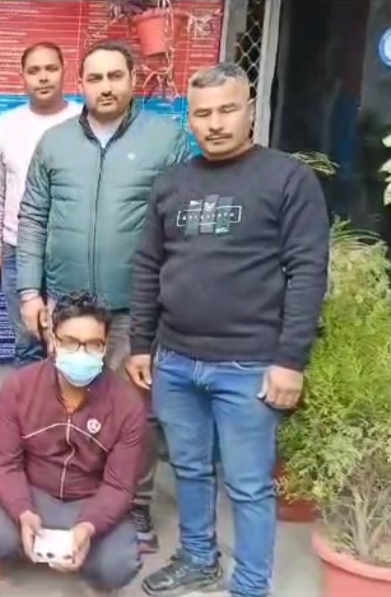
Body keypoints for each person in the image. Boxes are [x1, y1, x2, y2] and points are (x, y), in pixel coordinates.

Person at [128, 63, 330, 597]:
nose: (215, 123)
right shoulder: (173, 182)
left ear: (250, 110)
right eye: (203, 113)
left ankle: (251, 585)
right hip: (176, 360)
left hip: (250, 365)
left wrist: (290, 361)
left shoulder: (287, 179)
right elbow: (148, 266)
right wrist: (141, 345)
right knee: (189, 470)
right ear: (189, 119)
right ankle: (198, 560)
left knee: (248, 485)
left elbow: (308, 271)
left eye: (227, 109)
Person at [16, 39, 191, 553]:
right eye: (95, 78)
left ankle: (134, 504)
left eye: (116, 76)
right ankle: (74, 495)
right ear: (82, 84)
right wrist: (30, 293)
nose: (106, 87)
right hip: (67, 307)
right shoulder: (55, 142)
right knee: (65, 404)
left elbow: (180, 227)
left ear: (134, 79)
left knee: (135, 412)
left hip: (135, 309)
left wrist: (167, 300)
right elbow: (32, 219)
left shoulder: (166, 139)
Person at [0, 291, 147, 593]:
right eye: (69, 342)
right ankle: (22, 542)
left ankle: (79, 548)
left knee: (119, 565)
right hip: (35, 492)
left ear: (106, 345)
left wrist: (89, 526)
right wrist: (22, 512)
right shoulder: (19, 388)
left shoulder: (127, 403)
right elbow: (4, 463)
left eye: (93, 344)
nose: (81, 353)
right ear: (52, 340)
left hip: (88, 498)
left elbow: (119, 485)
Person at [0, 41, 79, 368]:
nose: (43, 77)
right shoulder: (5, 125)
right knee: (27, 342)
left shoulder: (83, 119)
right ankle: (32, 401)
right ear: (22, 76)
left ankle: (70, 401)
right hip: (16, 248)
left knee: (72, 339)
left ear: (64, 71)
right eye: (34, 70)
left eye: (51, 68)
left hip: (70, 250)